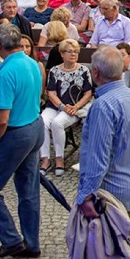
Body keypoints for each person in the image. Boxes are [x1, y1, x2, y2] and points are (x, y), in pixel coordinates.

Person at [75, 45, 130, 259]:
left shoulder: (103, 106)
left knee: (111, 251)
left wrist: (85, 196)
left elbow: (99, 159)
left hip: (110, 194)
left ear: (95, 72)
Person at [0, 24, 44, 259]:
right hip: (34, 127)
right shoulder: (32, 63)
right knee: (29, 190)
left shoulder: (6, 73)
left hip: (16, 133)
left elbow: (1, 119)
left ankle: (12, 240)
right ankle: (32, 243)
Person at [40, 39, 93, 177]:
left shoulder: (84, 70)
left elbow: (88, 93)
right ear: (62, 54)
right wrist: (62, 106)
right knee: (41, 121)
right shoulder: (54, 70)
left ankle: (59, 159)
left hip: (74, 107)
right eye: (69, 51)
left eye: (76, 51)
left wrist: (76, 106)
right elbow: (50, 92)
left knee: (57, 123)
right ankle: (45, 159)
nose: (73, 54)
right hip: (57, 105)